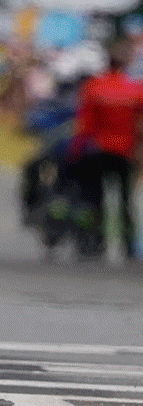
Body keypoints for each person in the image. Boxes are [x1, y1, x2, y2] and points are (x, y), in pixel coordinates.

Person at [67, 39, 143, 258]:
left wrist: (75, 150)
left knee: (94, 198)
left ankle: (94, 242)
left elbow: (84, 125)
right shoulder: (135, 90)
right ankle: (128, 247)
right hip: (126, 151)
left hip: (99, 150)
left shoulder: (93, 87)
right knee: (126, 200)